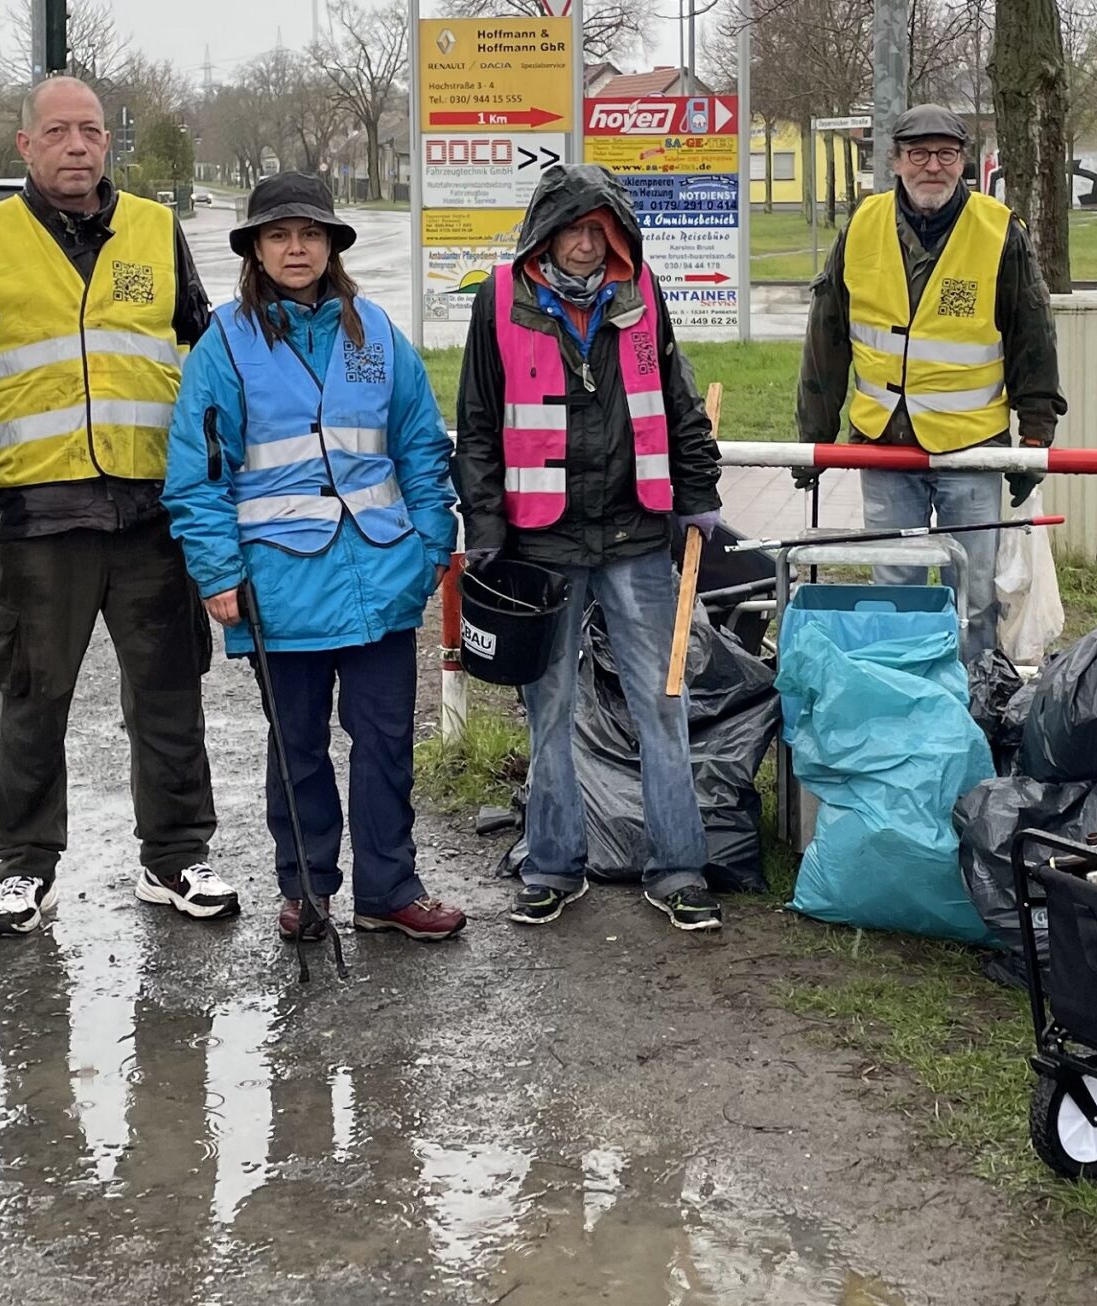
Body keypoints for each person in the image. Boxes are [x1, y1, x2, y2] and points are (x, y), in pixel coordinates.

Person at [0, 76, 236, 935]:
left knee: (168, 692)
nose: (77, 146)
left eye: (90, 130)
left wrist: (225, 494)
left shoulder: (158, 232)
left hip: (153, 515)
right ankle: (23, 867)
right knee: (32, 693)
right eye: (58, 131)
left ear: (107, 142)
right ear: (26, 145)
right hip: (41, 518)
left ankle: (175, 856)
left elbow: (207, 370)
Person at [163, 174, 466, 943]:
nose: (295, 248)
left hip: (379, 579)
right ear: (256, 251)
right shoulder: (224, 344)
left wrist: (433, 538)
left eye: (309, 234)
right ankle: (306, 889)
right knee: (296, 746)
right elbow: (199, 474)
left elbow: (423, 449)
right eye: (278, 235)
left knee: (387, 742)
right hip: (278, 586)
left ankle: (389, 888)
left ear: (331, 244)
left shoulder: (377, 336)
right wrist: (219, 570)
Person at [454, 166, 727, 931]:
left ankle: (678, 867)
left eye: (600, 229)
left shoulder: (643, 295)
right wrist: (485, 530)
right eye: (573, 227)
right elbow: (476, 426)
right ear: (545, 234)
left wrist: (698, 495)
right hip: (539, 544)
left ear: (619, 235)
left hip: (634, 536)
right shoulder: (499, 300)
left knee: (662, 706)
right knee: (550, 710)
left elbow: (676, 402)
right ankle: (552, 863)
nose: (585, 242)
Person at [794, 104, 1064, 660]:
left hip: (972, 448)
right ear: (895, 161)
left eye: (945, 154)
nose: (931, 167)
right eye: (918, 154)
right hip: (885, 445)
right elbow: (826, 339)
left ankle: (974, 705)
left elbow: (1032, 340)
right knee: (895, 585)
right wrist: (812, 439)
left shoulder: (999, 232)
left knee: (972, 591)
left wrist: (1034, 439)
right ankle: (903, 696)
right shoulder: (862, 227)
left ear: (964, 161)